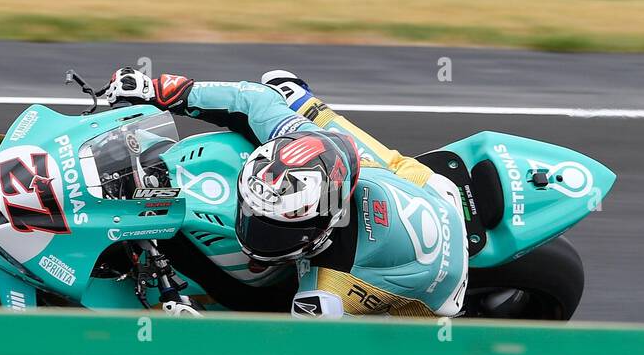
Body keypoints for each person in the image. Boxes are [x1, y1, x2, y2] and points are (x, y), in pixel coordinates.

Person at [102, 67, 468, 317]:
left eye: (273, 227)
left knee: (249, 300)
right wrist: (161, 90)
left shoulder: (322, 293)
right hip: (424, 187)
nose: (254, 228)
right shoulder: (330, 156)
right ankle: (306, 102)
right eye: (255, 212)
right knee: (283, 90)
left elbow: (283, 351)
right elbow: (255, 101)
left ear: (320, 228)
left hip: (432, 298)